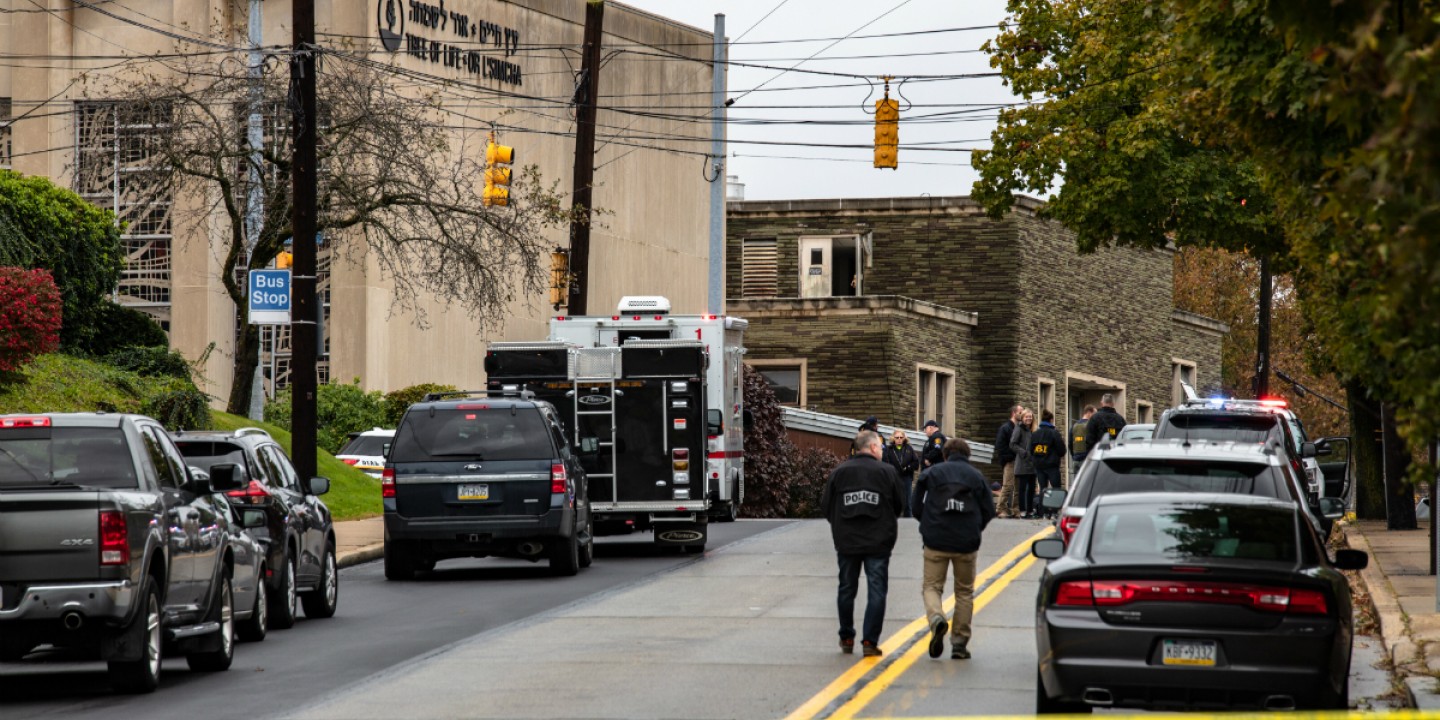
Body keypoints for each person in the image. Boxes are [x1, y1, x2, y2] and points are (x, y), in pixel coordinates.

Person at [820, 430, 906, 658]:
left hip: (847, 541)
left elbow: (826, 506)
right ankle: (870, 640)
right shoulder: (887, 472)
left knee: (847, 588)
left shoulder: (839, 472)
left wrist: (840, 526)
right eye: (881, 446)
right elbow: (899, 505)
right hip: (879, 541)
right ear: (874, 448)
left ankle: (846, 636)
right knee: (877, 590)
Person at [912, 437, 995, 660]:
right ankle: (959, 643)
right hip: (966, 542)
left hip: (935, 539)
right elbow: (989, 509)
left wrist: (925, 521)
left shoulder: (933, 473)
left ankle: (937, 617)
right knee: (964, 592)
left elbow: (915, 502)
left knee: (931, 586)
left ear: (945, 455)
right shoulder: (976, 476)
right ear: (968, 455)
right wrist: (976, 527)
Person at [1030, 410, 1066, 518]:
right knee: (1056, 488)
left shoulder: (1035, 434)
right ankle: (1055, 511)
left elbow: (1031, 450)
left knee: (1043, 488)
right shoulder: (1054, 433)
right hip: (1052, 465)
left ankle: (1043, 512)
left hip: (1039, 466)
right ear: (1051, 420)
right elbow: (1061, 450)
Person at [883, 430, 921, 518]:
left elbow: (916, 463)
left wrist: (908, 467)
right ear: (893, 438)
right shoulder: (889, 449)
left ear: (904, 438)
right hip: (893, 477)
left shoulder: (909, 449)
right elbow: (885, 463)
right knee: (893, 499)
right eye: (897, 438)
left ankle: (908, 519)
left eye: (901, 437)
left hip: (906, 477)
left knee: (908, 501)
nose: (899, 439)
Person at [994, 405, 1022, 518]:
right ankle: (1001, 508)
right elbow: (1000, 445)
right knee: (1008, 485)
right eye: (1020, 412)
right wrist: (1009, 457)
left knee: (1017, 487)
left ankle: (1015, 510)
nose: (1022, 414)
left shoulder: (1020, 428)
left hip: (1019, 461)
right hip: (1010, 461)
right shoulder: (1005, 428)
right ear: (1014, 413)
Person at [1010, 409, 1038, 518]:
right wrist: (1024, 453)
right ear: (1022, 417)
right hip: (1022, 463)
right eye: (1027, 417)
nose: (1029, 419)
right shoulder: (1019, 428)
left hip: (1032, 463)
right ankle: (1022, 510)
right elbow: (1012, 444)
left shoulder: (1033, 430)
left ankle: (1030, 511)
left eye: (1030, 417)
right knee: (1022, 489)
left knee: (1031, 488)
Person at [1069, 405, 1095, 475]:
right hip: (1086, 460)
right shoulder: (1090, 426)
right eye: (1094, 414)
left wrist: (1074, 456)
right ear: (1089, 413)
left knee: (1077, 484)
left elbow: (1070, 443)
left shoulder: (1074, 426)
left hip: (1076, 460)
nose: (1095, 417)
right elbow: (1092, 442)